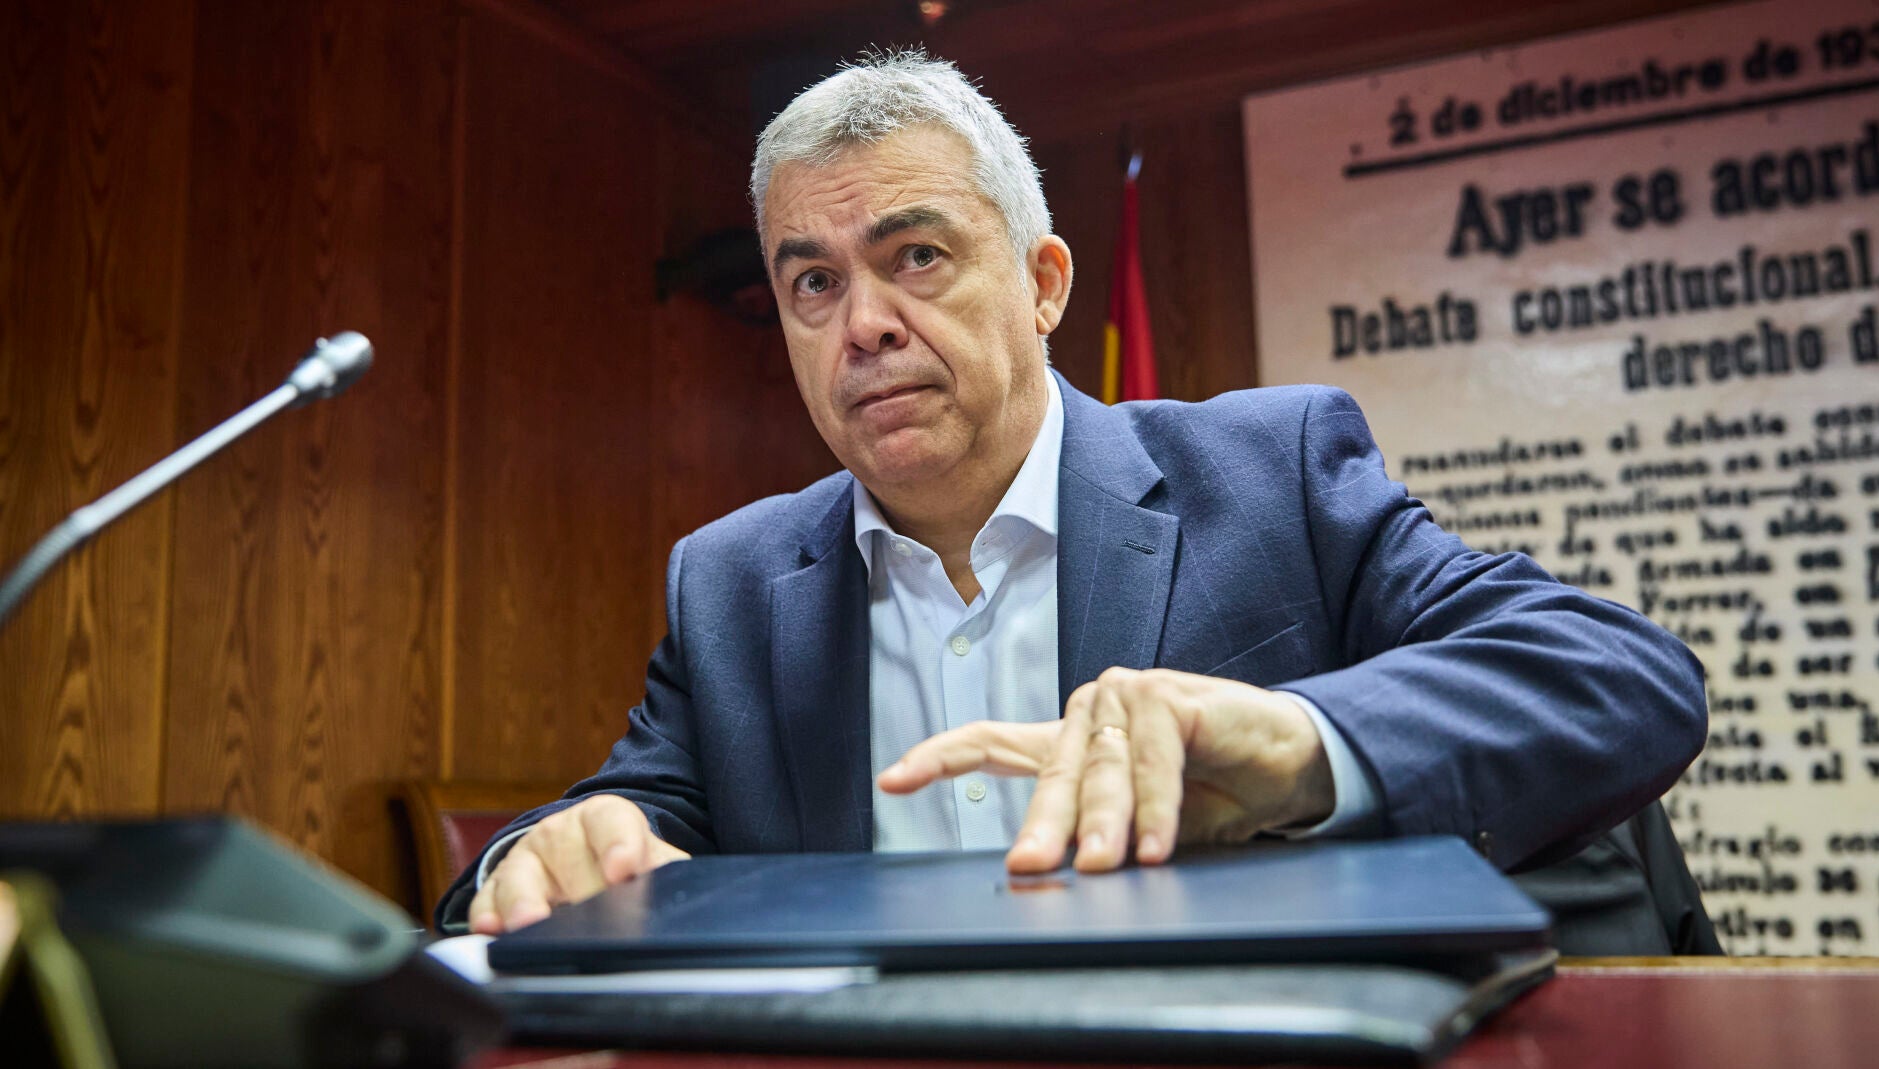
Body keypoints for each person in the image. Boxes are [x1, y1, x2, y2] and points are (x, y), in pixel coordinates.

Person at [437, 52, 1706, 936]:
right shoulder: (729, 581)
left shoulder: (1270, 473)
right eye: (813, 284)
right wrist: (542, 850)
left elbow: (1620, 675)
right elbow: (628, 817)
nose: (863, 325)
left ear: (1043, 284)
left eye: (916, 256)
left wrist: (1295, 743)